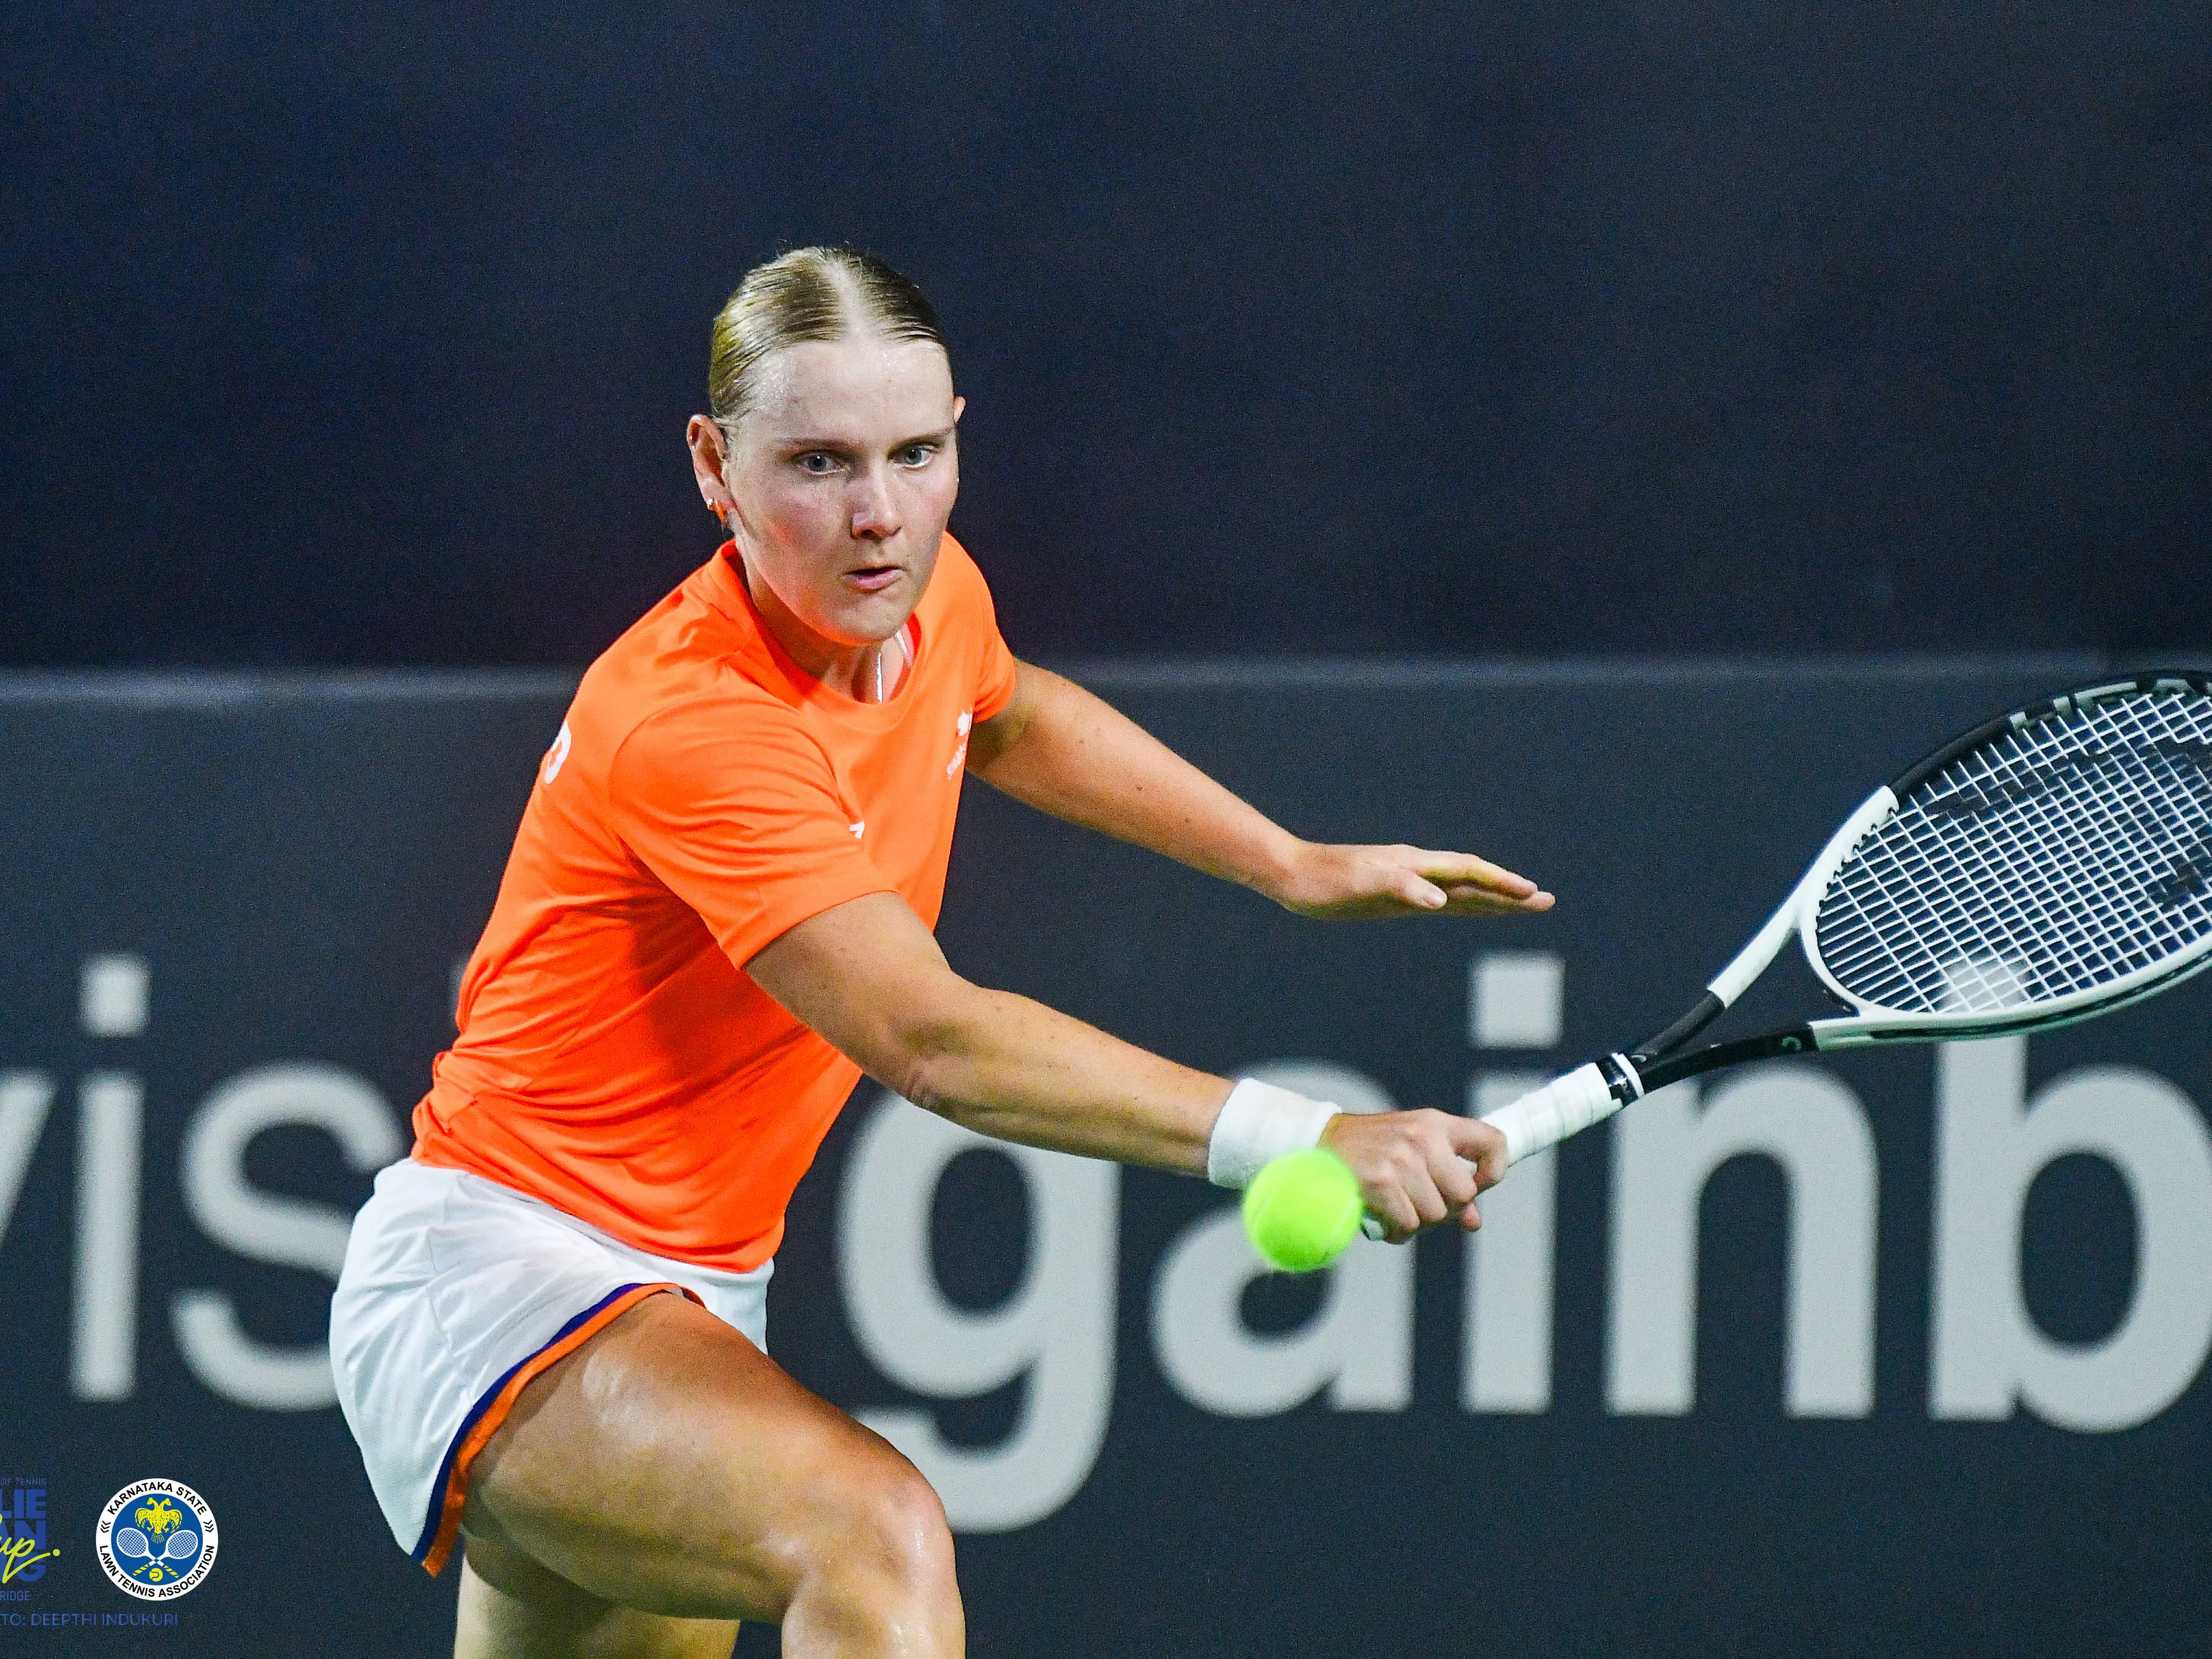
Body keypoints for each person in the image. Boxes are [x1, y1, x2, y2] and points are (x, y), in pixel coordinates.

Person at [330, 246, 1553, 1659]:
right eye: (819, 464)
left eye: (916, 455)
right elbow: (935, 1042)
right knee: (874, 1537)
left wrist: (1289, 862)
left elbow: (1008, 710)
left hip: (688, 1291)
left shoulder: (923, 597)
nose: (879, 515)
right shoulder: (695, 723)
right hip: (500, 1272)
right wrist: (1309, 1136)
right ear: (714, 467)